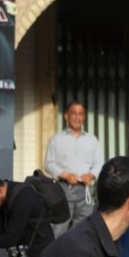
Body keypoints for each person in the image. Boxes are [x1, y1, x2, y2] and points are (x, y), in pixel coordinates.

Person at [44, 101, 104, 236]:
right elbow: (48, 163)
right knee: (58, 229)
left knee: (83, 230)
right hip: (64, 189)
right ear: (66, 116)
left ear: (84, 117)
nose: (77, 117)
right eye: (74, 113)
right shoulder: (56, 139)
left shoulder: (92, 140)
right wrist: (65, 175)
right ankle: (56, 250)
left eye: (81, 114)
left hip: (86, 191)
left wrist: (91, 175)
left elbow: (99, 163)